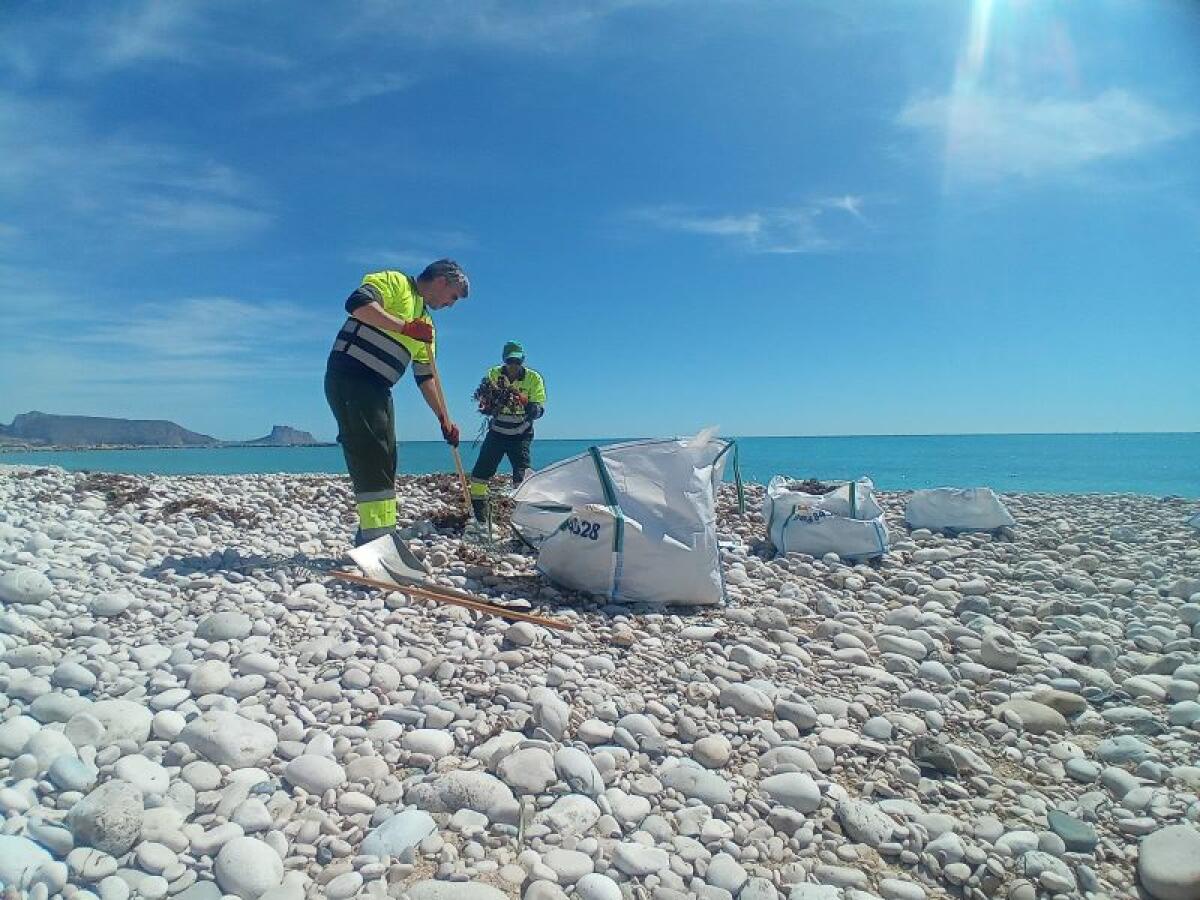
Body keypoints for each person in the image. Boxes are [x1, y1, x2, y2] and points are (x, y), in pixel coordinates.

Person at [325, 259, 468, 546]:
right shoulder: (395, 282)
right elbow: (357, 303)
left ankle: (380, 531)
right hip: (351, 376)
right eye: (453, 297)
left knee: (386, 455)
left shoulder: (427, 326)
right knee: (371, 450)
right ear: (441, 281)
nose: (451, 305)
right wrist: (404, 327)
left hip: (380, 387)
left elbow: (426, 377)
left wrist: (444, 418)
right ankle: (375, 538)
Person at [469, 341, 546, 521]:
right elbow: (486, 398)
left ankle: (524, 517)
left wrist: (532, 408)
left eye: (517, 361)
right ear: (504, 360)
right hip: (497, 433)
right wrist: (488, 405)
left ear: (523, 361)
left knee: (522, 476)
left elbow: (540, 408)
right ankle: (480, 516)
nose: (513, 365)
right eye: (510, 361)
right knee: (480, 474)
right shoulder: (494, 374)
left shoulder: (534, 378)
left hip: (521, 435)